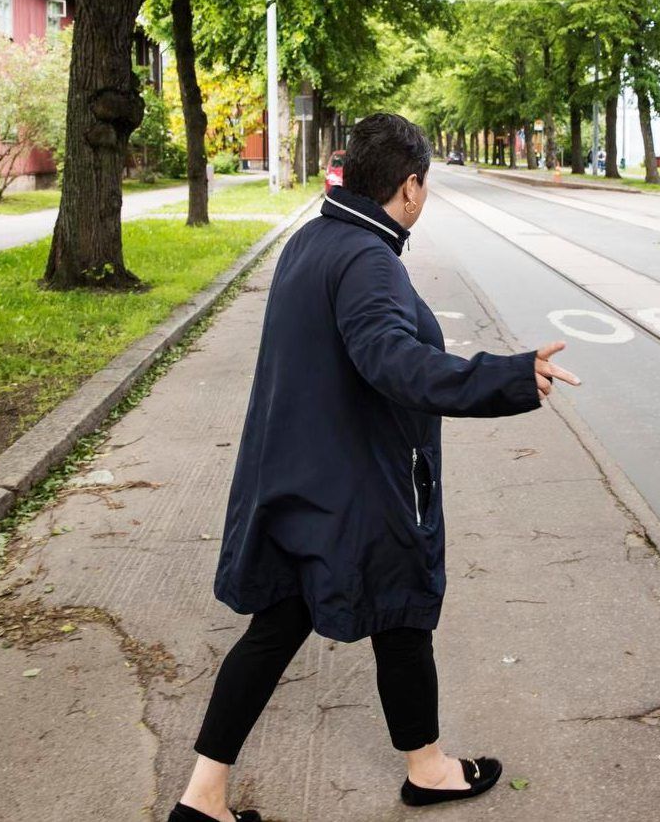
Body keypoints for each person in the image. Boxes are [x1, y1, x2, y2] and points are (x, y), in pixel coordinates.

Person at [168, 113, 580, 822]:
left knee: (295, 628)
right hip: (353, 486)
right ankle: (427, 769)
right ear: (410, 186)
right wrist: (506, 378)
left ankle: (205, 797)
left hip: (299, 477)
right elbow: (393, 361)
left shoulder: (315, 237)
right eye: (427, 184)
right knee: (401, 604)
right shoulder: (367, 258)